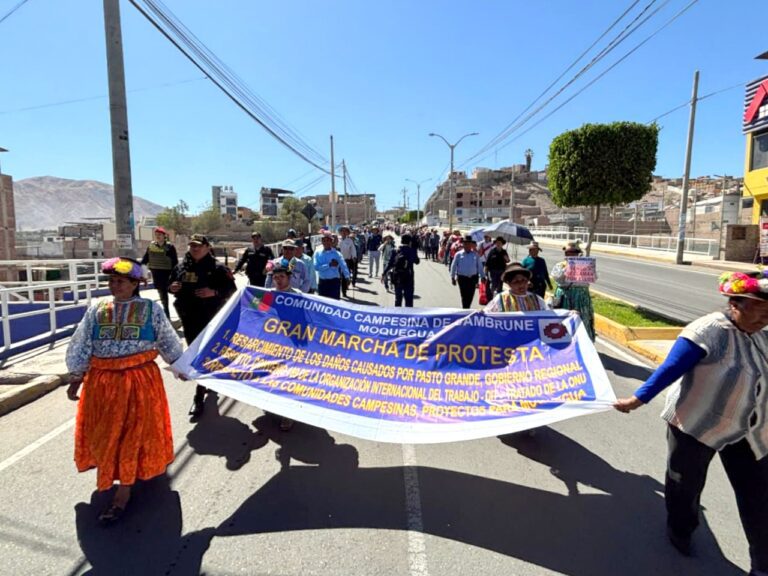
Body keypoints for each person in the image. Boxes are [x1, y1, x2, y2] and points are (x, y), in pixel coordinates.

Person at [614, 270, 768, 574]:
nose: (764, 319)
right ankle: (680, 530)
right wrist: (638, 399)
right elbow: (672, 367)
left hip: (749, 429)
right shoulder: (709, 329)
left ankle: (762, 564)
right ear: (735, 304)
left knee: (760, 497)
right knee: (685, 485)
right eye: (760, 312)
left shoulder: (763, 334)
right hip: (696, 424)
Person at [65, 257, 183, 523]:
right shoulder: (97, 310)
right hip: (102, 385)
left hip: (139, 383)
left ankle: (123, 492)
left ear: (134, 284)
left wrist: (180, 366)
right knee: (107, 435)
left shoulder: (150, 309)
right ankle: (114, 475)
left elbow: (167, 341)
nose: (114, 286)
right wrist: (76, 376)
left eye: (120, 281)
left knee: (133, 435)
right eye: (111, 281)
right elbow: (82, 342)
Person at [170, 234, 237, 418]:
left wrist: (213, 292)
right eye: (192, 246)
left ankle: (199, 395)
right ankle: (206, 380)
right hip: (188, 317)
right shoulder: (181, 267)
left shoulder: (218, 268)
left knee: (204, 353)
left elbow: (232, 290)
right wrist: (173, 287)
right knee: (194, 353)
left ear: (207, 247)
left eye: (198, 246)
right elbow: (171, 283)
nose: (195, 249)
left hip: (210, 317)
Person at [550, 241, 596, 341]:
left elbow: (593, 278)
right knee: (564, 320)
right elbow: (557, 278)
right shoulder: (560, 265)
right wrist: (567, 268)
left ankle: (583, 342)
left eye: (574, 252)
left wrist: (586, 267)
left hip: (581, 297)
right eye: (568, 252)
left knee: (583, 319)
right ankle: (564, 340)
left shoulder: (585, 264)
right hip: (565, 295)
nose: (571, 255)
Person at [140, 226, 178, 318]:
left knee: (175, 294)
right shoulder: (151, 247)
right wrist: (144, 275)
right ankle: (166, 316)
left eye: (160, 235)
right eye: (156, 235)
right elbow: (144, 261)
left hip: (168, 274)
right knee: (163, 297)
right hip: (157, 275)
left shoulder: (170, 247)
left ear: (164, 236)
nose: (158, 236)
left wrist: (175, 276)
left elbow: (175, 262)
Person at [484, 262, 549, 312]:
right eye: (516, 282)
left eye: (524, 280)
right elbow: (486, 314)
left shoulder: (536, 299)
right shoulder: (501, 299)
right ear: (509, 284)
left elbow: (548, 314)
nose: (521, 284)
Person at [382, 233, 419, 307]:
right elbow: (417, 261)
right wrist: (414, 250)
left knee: (398, 299)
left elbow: (390, 264)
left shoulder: (395, 250)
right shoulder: (411, 250)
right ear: (410, 242)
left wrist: (384, 274)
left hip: (397, 277)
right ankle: (408, 316)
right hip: (409, 277)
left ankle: (398, 315)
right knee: (408, 299)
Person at [450, 235, 485, 309]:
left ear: (471, 245)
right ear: (463, 244)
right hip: (462, 278)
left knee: (470, 295)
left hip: (472, 278)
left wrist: (483, 276)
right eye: (465, 243)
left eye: (469, 243)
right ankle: (465, 309)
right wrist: (452, 277)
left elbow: (480, 266)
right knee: (464, 295)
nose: (467, 245)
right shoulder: (458, 254)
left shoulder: (475, 255)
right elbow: (453, 266)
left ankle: (467, 308)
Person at [313, 233, 350, 300]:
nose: (326, 242)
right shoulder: (317, 253)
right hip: (322, 283)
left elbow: (343, 265)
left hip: (334, 283)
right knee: (323, 304)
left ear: (331, 241)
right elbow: (316, 267)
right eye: (324, 240)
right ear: (322, 241)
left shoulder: (337, 254)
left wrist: (347, 277)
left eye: (328, 240)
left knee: (334, 303)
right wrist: (329, 265)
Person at [339, 226, 358, 294]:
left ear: (347, 233)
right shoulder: (337, 239)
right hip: (337, 261)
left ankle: (344, 290)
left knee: (345, 276)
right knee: (339, 276)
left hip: (346, 261)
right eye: (342, 231)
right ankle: (341, 287)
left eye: (345, 231)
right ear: (340, 232)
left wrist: (354, 256)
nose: (343, 232)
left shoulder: (350, 241)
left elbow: (353, 250)